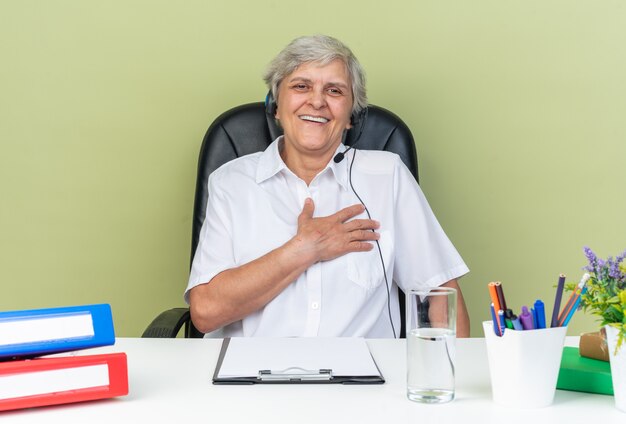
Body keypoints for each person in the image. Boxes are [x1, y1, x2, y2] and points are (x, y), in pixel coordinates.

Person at [185, 35, 470, 338]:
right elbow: (205, 314)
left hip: (364, 381)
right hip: (253, 379)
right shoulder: (231, 182)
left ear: (352, 117)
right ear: (275, 105)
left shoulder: (387, 176)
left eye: (334, 90)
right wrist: (304, 249)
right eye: (301, 86)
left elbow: (440, 296)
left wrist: (451, 380)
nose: (317, 101)